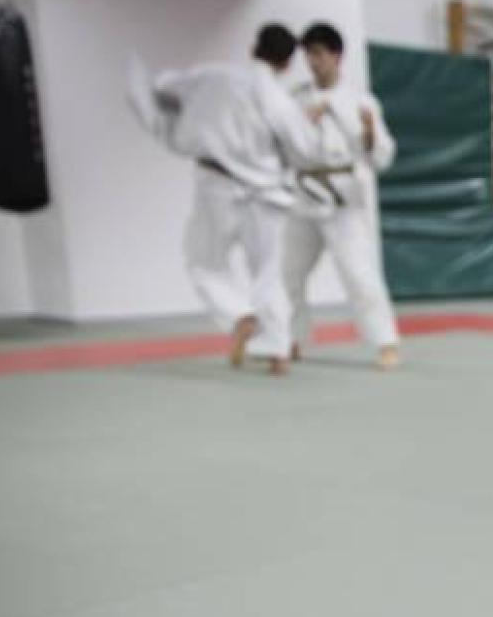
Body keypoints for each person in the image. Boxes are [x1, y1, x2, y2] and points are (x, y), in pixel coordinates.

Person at [127, 24, 327, 374]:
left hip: (217, 185)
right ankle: (277, 349)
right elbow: (306, 151)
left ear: (254, 48)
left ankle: (239, 315)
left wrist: (189, 113)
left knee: (203, 261)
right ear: (288, 63)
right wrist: (307, 123)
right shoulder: (280, 101)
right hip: (266, 196)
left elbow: (160, 86)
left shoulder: (214, 75)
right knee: (266, 273)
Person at [283, 22, 402, 370]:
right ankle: (291, 338)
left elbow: (382, 155)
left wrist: (367, 133)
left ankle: (385, 341)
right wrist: (304, 123)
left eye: (318, 54)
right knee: (288, 272)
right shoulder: (296, 98)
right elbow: (284, 146)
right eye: (308, 55)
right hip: (304, 194)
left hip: (342, 199)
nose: (312, 61)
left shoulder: (361, 101)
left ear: (337, 56)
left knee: (358, 271)